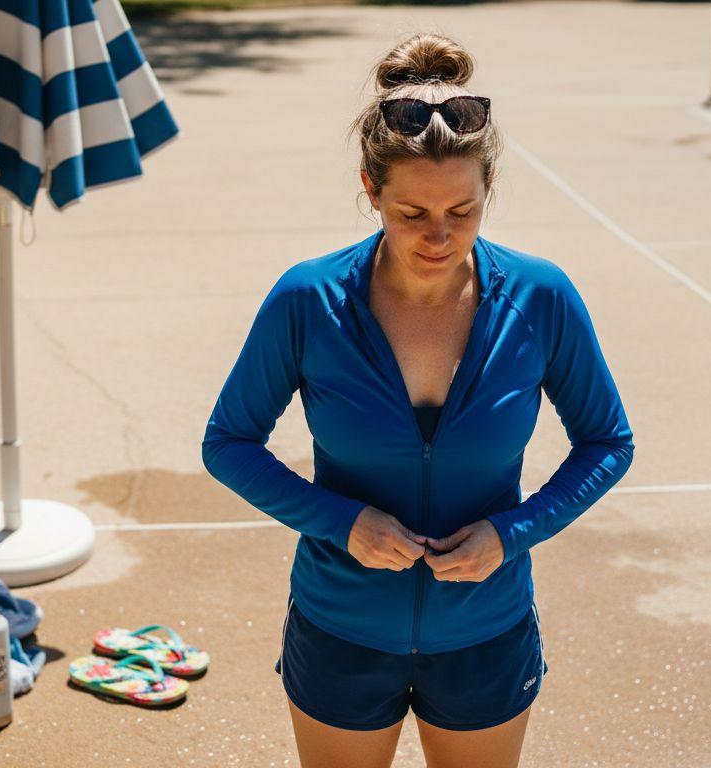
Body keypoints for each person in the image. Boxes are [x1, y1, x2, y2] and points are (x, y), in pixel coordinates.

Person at [202, 33, 634, 768]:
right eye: (411, 215)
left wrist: (513, 533)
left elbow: (607, 442)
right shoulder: (308, 298)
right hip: (341, 629)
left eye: (462, 211)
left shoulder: (541, 296)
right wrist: (343, 522)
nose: (439, 236)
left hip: (485, 636)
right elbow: (229, 442)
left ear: (488, 187)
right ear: (371, 190)